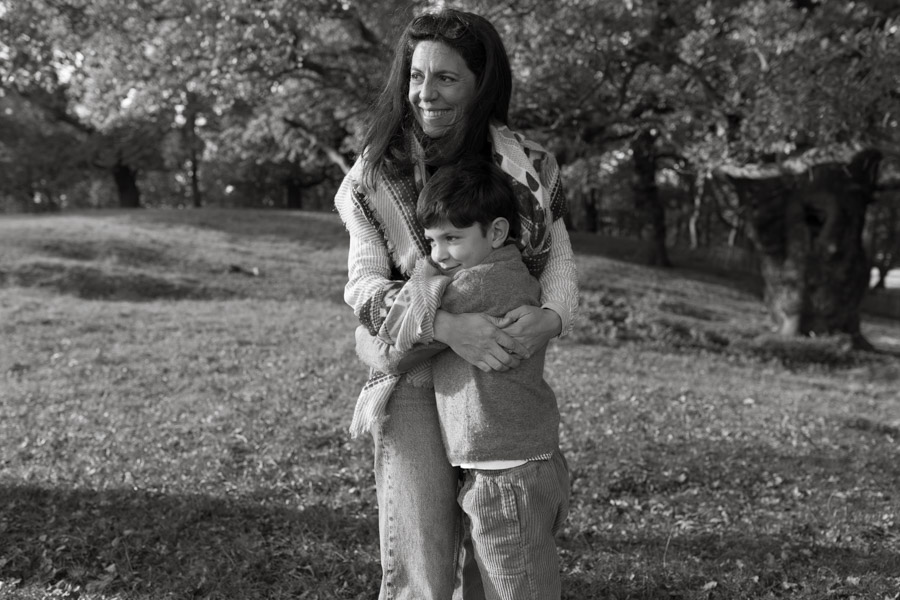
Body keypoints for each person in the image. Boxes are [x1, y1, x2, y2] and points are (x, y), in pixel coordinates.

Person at [333, 8, 579, 600]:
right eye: (416, 77)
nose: (426, 93)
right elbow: (362, 286)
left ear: (480, 82)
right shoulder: (373, 174)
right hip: (415, 379)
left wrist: (552, 318)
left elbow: (560, 267)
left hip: (497, 381)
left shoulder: (527, 167)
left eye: (446, 78)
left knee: (501, 547)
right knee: (422, 560)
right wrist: (447, 326)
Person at [356, 157, 570, 599]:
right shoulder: (514, 274)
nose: (438, 255)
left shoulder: (470, 288)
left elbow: (395, 343)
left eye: (453, 238)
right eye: (431, 242)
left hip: (502, 474)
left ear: (495, 232)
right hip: (522, 463)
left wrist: (367, 334)